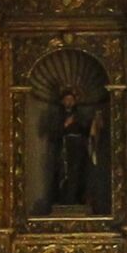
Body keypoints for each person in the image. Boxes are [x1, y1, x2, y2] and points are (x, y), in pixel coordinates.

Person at [42, 84, 103, 212]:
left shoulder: (79, 115)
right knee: (64, 174)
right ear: (62, 101)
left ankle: (79, 200)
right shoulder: (58, 116)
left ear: (75, 101)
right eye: (67, 99)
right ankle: (65, 200)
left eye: (71, 99)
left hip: (79, 149)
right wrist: (65, 125)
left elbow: (88, 131)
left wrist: (95, 122)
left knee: (80, 173)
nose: (69, 102)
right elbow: (52, 134)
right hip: (64, 149)